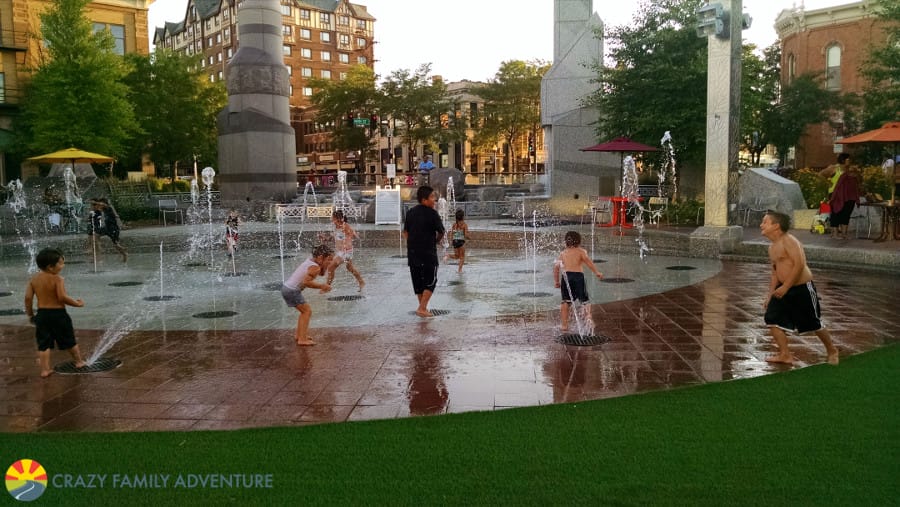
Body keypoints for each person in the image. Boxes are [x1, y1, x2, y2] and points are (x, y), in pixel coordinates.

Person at [759, 211, 839, 365]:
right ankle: (785, 354)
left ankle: (831, 350)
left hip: (801, 288)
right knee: (771, 318)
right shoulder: (772, 248)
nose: (761, 225)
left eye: (765, 222)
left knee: (813, 322)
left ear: (776, 226)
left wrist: (786, 286)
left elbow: (799, 264)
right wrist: (769, 296)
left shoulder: (789, 241)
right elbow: (774, 273)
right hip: (782, 288)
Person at [24, 248, 86, 377]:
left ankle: (45, 370)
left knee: (43, 343)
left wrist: (30, 315)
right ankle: (79, 362)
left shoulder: (34, 280)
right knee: (69, 339)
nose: (63, 265)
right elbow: (62, 297)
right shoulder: (58, 279)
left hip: (42, 315)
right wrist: (77, 303)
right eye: (61, 263)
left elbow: (28, 298)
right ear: (51, 267)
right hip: (58, 314)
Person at [403, 185, 445, 318]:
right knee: (431, 280)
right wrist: (436, 242)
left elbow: (405, 232)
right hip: (428, 254)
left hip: (413, 253)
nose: (434, 200)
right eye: (432, 197)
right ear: (424, 199)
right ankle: (422, 308)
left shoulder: (410, 212)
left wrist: (412, 243)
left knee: (418, 281)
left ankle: (422, 307)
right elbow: (441, 231)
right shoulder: (432, 214)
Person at [281, 244, 333, 346]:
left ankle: (299, 335)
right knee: (307, 311)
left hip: (287, 288)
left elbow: (321, 273)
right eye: (329, 259)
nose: (330, 262)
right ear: (320, 257)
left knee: (304, 312)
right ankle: (302, 339)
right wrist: (322, 286)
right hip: (292, 291)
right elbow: (306, 282)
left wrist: (324, 265)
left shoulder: (311, 261)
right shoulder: (315, 267)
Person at [553, 231, 603, 333]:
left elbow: (556, 268)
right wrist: (596, 272)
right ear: (579, 241)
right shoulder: (581, 251)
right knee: (584, 301)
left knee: (565, 302)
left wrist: (557, 281)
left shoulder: (563, 253)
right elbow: (588, 262)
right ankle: (588, 319)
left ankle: (564, 325)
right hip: (578, 277)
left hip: (566, 277)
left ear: (566, 242)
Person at [325, 209, 365, 292]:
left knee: (330, 267)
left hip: (346, 251)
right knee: (350, 268)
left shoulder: (345, 226)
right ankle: (361, 282)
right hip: (340, 251)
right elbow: (334, 237)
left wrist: (352, 237)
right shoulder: (335, 226)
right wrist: (325, 238)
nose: (331, 219)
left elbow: (352, 235)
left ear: (337, 218)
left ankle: (327, 287)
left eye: (332, 217)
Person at [87, 197, 127, 262]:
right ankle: (98, 251)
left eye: (100, 204)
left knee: (116, 245)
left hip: (113, 229)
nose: (99, 205)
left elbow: (104, 205)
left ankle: (124, 254)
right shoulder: (103, 210)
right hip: (107, 228)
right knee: (95, 235)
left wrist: (94, 202)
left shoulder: (108, 208)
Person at [827, 164, 861, 239]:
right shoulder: (843, 177)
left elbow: (856, 189)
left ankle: (844, 234)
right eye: (851, 171)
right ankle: (835, 234)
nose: (853, 174)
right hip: (839, 198)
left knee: (846, 216)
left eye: (855, 172)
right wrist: (832, 199)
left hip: (850, 199)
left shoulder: (855, 179)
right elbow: (837, 187)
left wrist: (857, 199)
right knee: (836, 215)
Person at [444, 209, 471, 273]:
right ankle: (460, 270)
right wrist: (469, 238)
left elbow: (452, 233)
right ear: (463, 217)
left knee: (457, 256)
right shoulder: (464, 225)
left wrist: (451, 241)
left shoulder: (454, 224)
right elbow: (466, 235)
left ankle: (448, 256)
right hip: (461, 242)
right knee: (462, 257)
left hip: (455, 241)